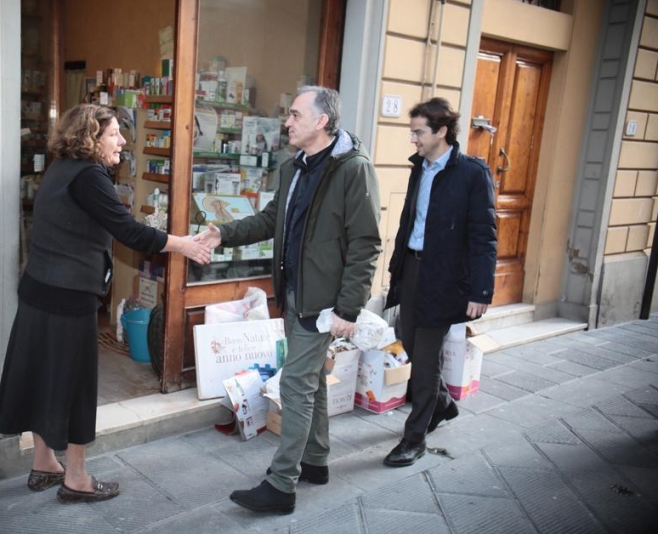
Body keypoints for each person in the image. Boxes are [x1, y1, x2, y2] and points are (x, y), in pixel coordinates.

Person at [0, 104, 211, 503]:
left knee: (43, 376)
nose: (122, 141)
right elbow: (129, 231)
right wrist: (184, 244)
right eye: (114, 134)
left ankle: (44, 462)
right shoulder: (89, 176)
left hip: (39, 290)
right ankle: (76, 478)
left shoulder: (60, 168)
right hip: (68, 296)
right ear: (91, 138)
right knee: (75, 385)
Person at [193, 86, 381, 513]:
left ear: (322, 121)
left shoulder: (353, 169)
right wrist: (224, 234)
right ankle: (315, 459)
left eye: (296, 114)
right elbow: (270, 219)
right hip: (295, 292)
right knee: (310, 379)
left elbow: (366, 243)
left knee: (295, 384)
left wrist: (348, 308)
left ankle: (281, 485)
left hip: (326, 302)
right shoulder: (294, 167)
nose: (287, 122)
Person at [383, 97, 497, 468]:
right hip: (413, 269)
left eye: (419, 132)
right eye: (412, 132)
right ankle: (443, 404)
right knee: (410, 342)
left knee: (426, 358)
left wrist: (481, 290)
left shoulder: (472, 173)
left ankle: (414, 438)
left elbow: (484, 236)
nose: (413, 138)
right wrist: (397, 269)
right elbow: (409, 222)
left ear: (442, 131)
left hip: (444, 277)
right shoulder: (420, 168)